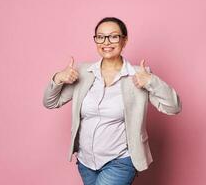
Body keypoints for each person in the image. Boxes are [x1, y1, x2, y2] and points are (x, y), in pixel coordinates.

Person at [43, 17, 182, 185]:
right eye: (100, 37)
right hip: (86, 163)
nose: (106, 42)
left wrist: (151, 81)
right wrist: (58, 78)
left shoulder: (138, 75)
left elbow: (174, 107)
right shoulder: (83, 72)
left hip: (120, 161)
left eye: (113, 36)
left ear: (124, 40)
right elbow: (50, 102)